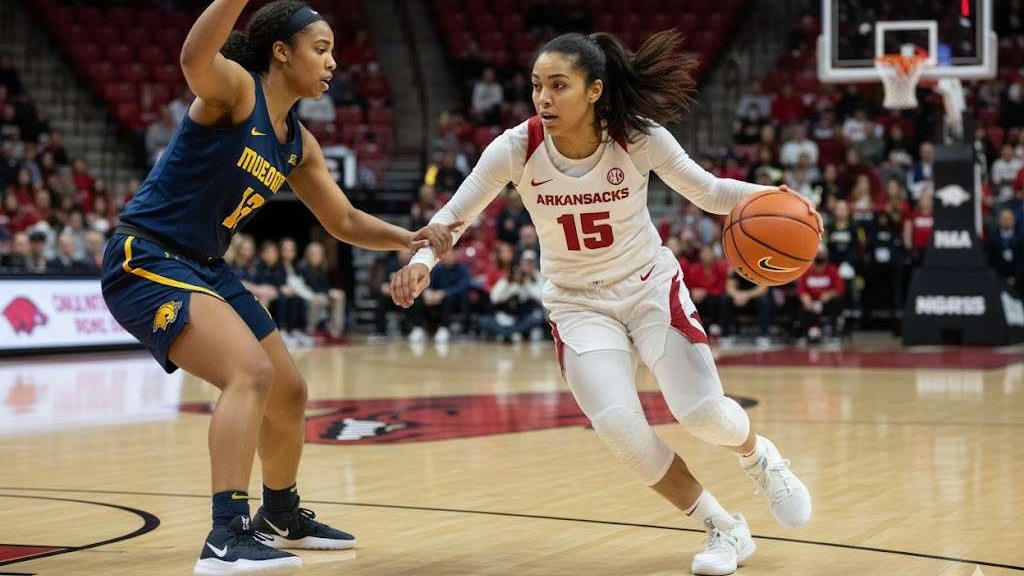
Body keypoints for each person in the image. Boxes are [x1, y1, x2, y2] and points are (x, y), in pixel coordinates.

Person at [389, 30, 814, 576]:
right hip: (575, 304)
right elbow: (452, 218)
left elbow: (709, 192)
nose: (543, 98)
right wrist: (420, 266)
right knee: (619, 429)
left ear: (594, 90)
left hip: (647, 287)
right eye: (537, 86)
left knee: (703, 413)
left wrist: (781, 202)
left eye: (558, 86)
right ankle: (723, 528)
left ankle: (760, 458)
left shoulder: (636, 137)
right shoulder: (516, 148)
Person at [99, 2, 458, 575]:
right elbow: (194, 56)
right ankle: (225, 536)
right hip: (146, 256)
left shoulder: (297, 142)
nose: (334, 63)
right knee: (251, 374)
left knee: (288, 390)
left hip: (205, 266)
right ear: (281, 52)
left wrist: (406, 236)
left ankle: (280, 514)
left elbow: (341, 220)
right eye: (321, 49)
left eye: (334, 51)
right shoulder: (236, 93)